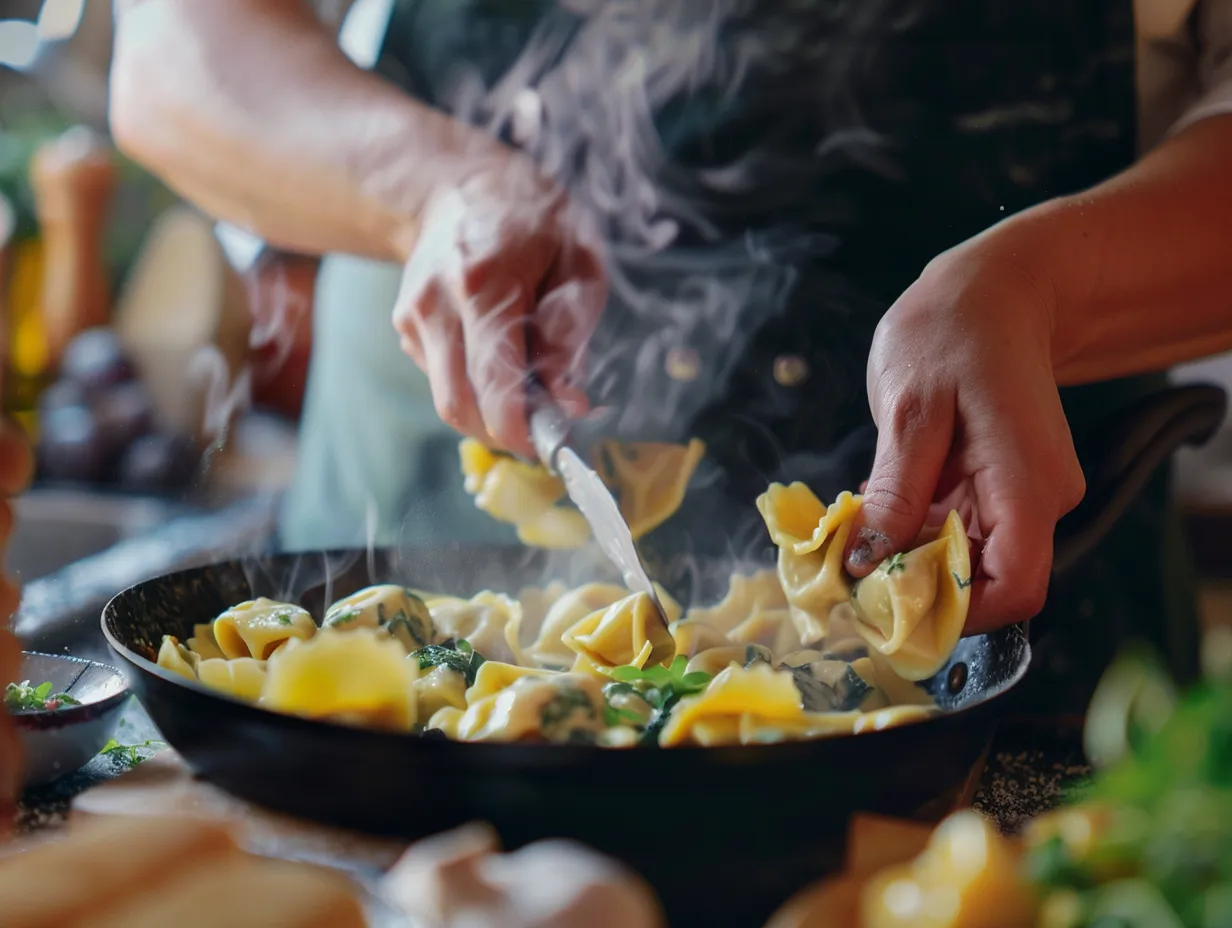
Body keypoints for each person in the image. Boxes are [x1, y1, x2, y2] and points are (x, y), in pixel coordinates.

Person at [107, 0, 1232, 705]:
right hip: (385, 599)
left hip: (1008, 643)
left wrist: (1042, 288)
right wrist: (427, 187)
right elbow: (170, 48)